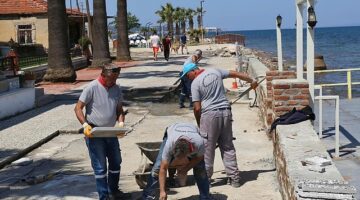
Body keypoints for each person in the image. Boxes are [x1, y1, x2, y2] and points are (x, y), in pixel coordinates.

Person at [180, 63, 258, 188]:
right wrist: (252, 81)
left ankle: (206, 180)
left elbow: (197, 108)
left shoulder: (195, 83)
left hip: (209, 116)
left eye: (187, 75)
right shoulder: (215, 71)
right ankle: (234, 179)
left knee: (207, 149)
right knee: (227, 146)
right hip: (225, 112)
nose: (187, 78)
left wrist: (200, 123)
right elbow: (235, 73)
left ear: (193, 71)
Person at [74, 64, 129, 200]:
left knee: (116, 162)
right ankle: (104, 196)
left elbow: (119, 110)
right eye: (112, 79)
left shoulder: (116, 89)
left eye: (116, 78)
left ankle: (113, 190)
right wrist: (85, 125)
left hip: (110, 132)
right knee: (100, 167)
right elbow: (78, 108)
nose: (114, 81)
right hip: (94, 132)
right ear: (103, 76)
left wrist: (121, 123)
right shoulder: (92, 87)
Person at [142, 122, 211, 200]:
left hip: (192, 131)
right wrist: (162, 191)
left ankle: (205, 197)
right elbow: (163, 168)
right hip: (172, 130)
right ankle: (147, 197)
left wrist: (185, 169)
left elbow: (199, 158)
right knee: (157, 167)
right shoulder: (169, 144)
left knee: (200, 168)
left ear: (189, 153)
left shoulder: (198, 143)